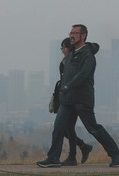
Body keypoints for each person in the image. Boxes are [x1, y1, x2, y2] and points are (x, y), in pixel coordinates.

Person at [37, 24, 119, 168]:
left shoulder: (87, 55)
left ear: (83, 36)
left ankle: (115, 153)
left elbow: (83, 75)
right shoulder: (72, 53)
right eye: (70, 32)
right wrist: (60, 93)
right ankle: (53, 158)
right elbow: (66, 74)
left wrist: (67, 86)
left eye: (75, 33)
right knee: (59, 127)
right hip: (67, 100)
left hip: (82, 100)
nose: (71, 35)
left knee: (93, 128)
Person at [49, 37, 92, 166]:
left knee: (67, 128)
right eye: (61, 47)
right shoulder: (65, 62)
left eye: (64, 47)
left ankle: (78, 151)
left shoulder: (75, 61)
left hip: (75, 99)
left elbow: (77, 78)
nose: (62, 50)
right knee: (67, 128)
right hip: (66, 98)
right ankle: (79, 150)